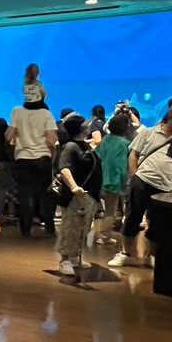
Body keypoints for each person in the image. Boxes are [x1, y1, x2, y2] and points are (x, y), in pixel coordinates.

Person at [110, 106, 172, 268]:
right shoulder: (148, 133)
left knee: (158, 223)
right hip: (142, 181)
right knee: (132, 217)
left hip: (166, 188)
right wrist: (134, 175)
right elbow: (133, 154)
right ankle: (125, 253)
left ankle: (152, 255)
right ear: (171, 117)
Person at [54, 114, 102, 279]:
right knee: (71, 227)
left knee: (83, 227)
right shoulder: (70, 147)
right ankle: (65, 259)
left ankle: (75, 256)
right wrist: (74, 186)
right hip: (76, 196)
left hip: (89, 196)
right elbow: (65, 168)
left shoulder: (83, 145)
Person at [7, 95, 57, 237]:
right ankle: (49, 228)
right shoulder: (46, 114)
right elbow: (52, 140)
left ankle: (25, 229)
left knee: (24, 195)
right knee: (46, 196)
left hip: (23, 158)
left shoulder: (18, 112)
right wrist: (51, 160)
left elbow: (8, 136)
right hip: (42, 158)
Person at [95, 110, 133, 246]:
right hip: (114, 181)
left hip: (99, 180)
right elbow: (122, 166)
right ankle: (104, 236)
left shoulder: (105, 140)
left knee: (97, 208)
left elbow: (96, 157)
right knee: (110, 211)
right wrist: (124, 182)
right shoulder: (125, 144)